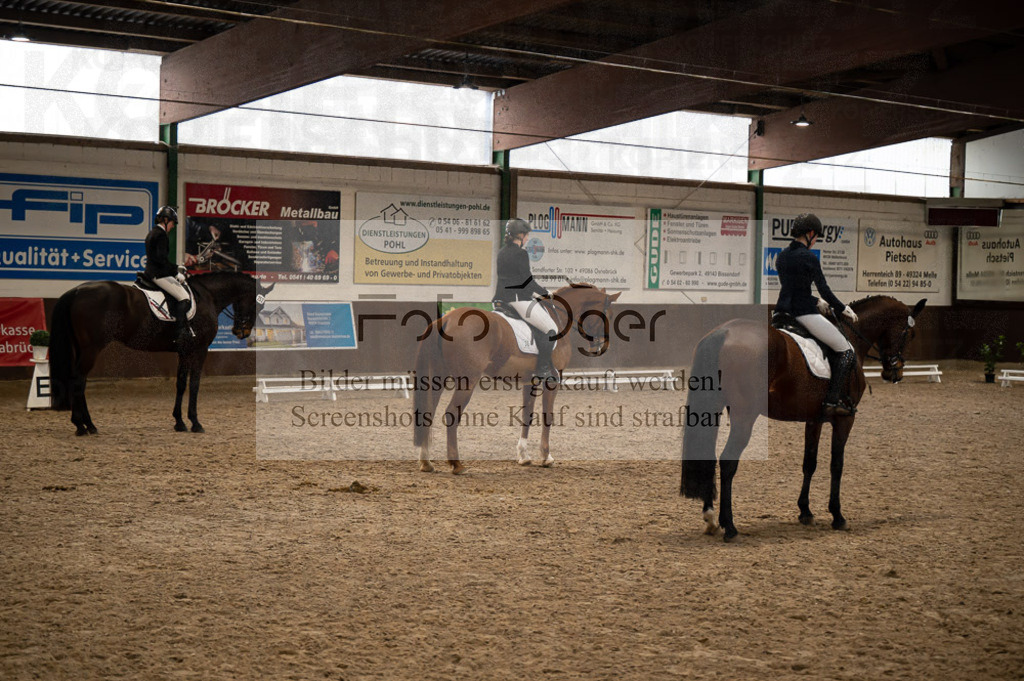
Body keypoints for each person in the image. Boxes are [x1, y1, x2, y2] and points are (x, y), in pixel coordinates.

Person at [774, 213, 859, 417]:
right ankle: (831, 401)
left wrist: (815, 301)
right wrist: (842, 308)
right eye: (817, 237)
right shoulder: (809, 257)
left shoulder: (782, 256)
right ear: (810, 233)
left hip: (780, 314)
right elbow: (824, 289)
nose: (816, 241)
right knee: (846, 349)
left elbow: (792, 289)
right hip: (803, 314)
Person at [492, 217, 559, 383]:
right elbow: (527, 282)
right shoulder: (521, 254)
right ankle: (543, 370)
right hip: (517, 299)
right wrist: (546, 293)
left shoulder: (501, 252)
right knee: (551, 330)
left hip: (500, 299)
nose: (528, 239)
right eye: (527, 235)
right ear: (520, 235)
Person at [145, 205, 192, 344]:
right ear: (165, 220)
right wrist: (176, 272)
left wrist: (176, 267)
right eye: (172, 223)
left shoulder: (152, 233)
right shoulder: (161, 235)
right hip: (158, 274)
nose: (172, 226)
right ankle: (179, 333)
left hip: (151, 272)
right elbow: (161, 260)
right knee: (184, 296)